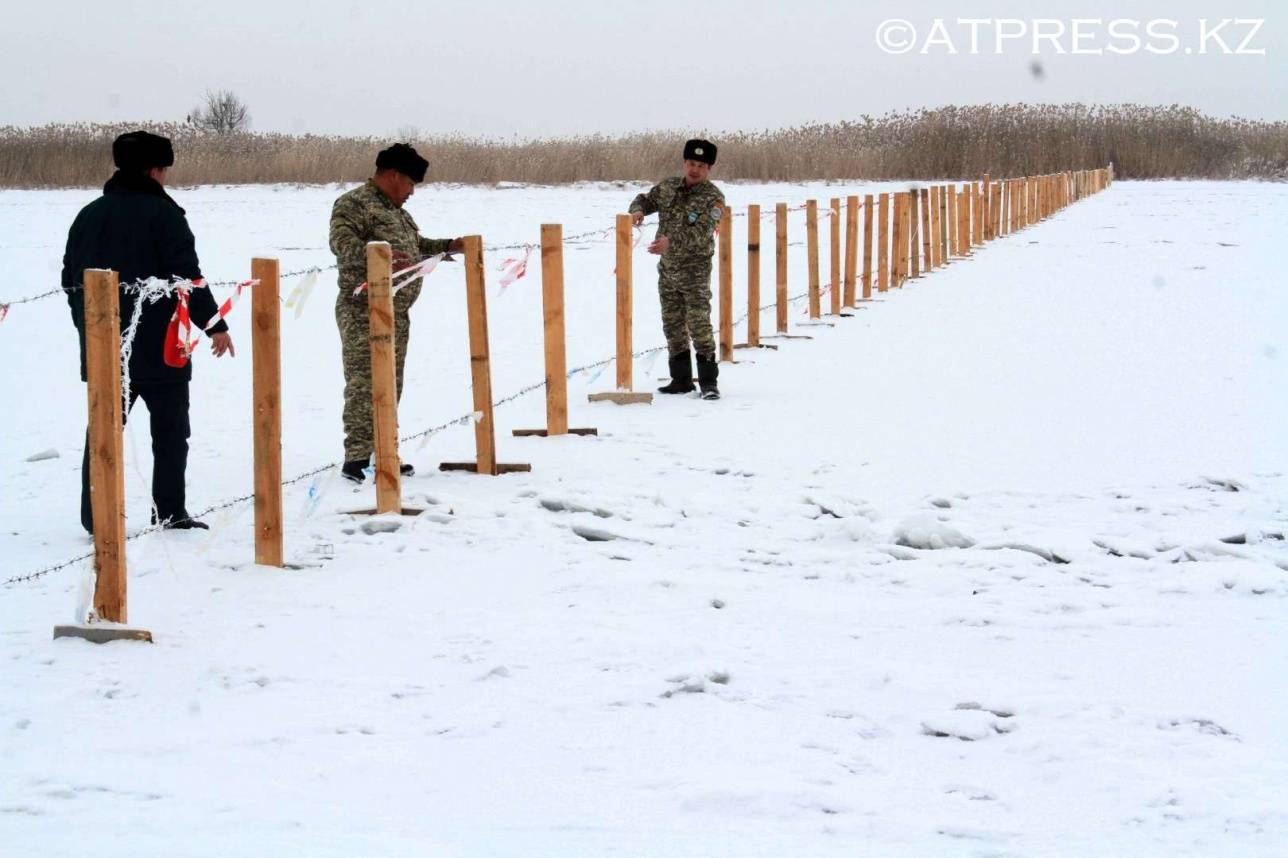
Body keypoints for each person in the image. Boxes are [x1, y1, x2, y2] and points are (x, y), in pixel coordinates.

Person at [62, 130, 235, 533]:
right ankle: (170, 511)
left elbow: (71, 280)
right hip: (162, 347)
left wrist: (87, 330)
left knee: (103, 431)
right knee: (171, 432)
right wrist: (214, 325)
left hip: (104, 346)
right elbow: (187, 277)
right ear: (156, 170)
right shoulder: (165, 215)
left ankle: (95, 516)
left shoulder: (88, 214)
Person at [329, 143, 464, 483]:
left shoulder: (397, 211)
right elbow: (343, 246)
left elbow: (415, 248)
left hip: (396, 312)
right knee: (364, 383)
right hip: (363, 312)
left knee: (391, 383)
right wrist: (382, 258)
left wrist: (448, 246)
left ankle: (385, 452)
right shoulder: (353, 204)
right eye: (410, 184)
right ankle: (358, 459)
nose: (412, 192)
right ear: (392, 176)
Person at [628, 139, 726, 400]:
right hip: (668, 271)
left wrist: (671, 243)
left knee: (699, 325)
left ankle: (708, 383)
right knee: (672, 325)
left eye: (701, 165)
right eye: (691, 163)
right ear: (684, 163)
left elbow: (703, 231)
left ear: (709, 168)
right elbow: (646, 199)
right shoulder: (669, 187)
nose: (695, 169)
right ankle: (681, 380)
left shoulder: (713, 198)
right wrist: (638, 211)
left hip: (695, 272)